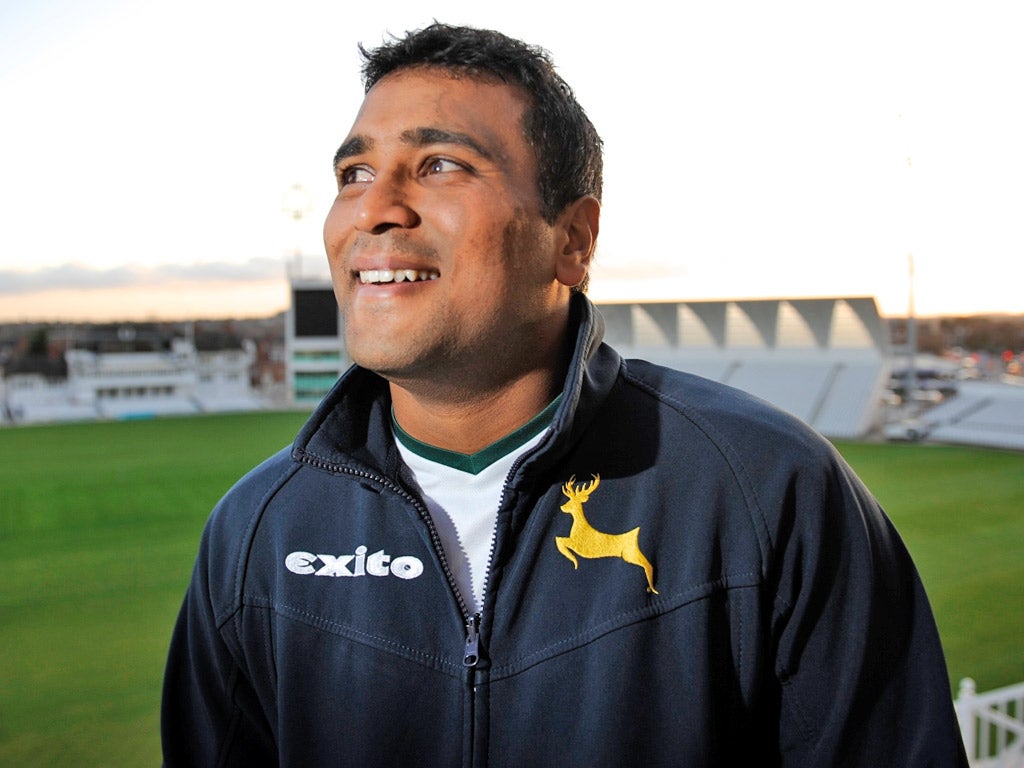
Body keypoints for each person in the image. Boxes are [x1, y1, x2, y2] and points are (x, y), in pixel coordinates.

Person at [162, 23, 968, 767]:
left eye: (440, 164)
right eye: (355, 172)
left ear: (573, 239)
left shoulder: (767, 491)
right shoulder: (258, 529)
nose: (374, 208)